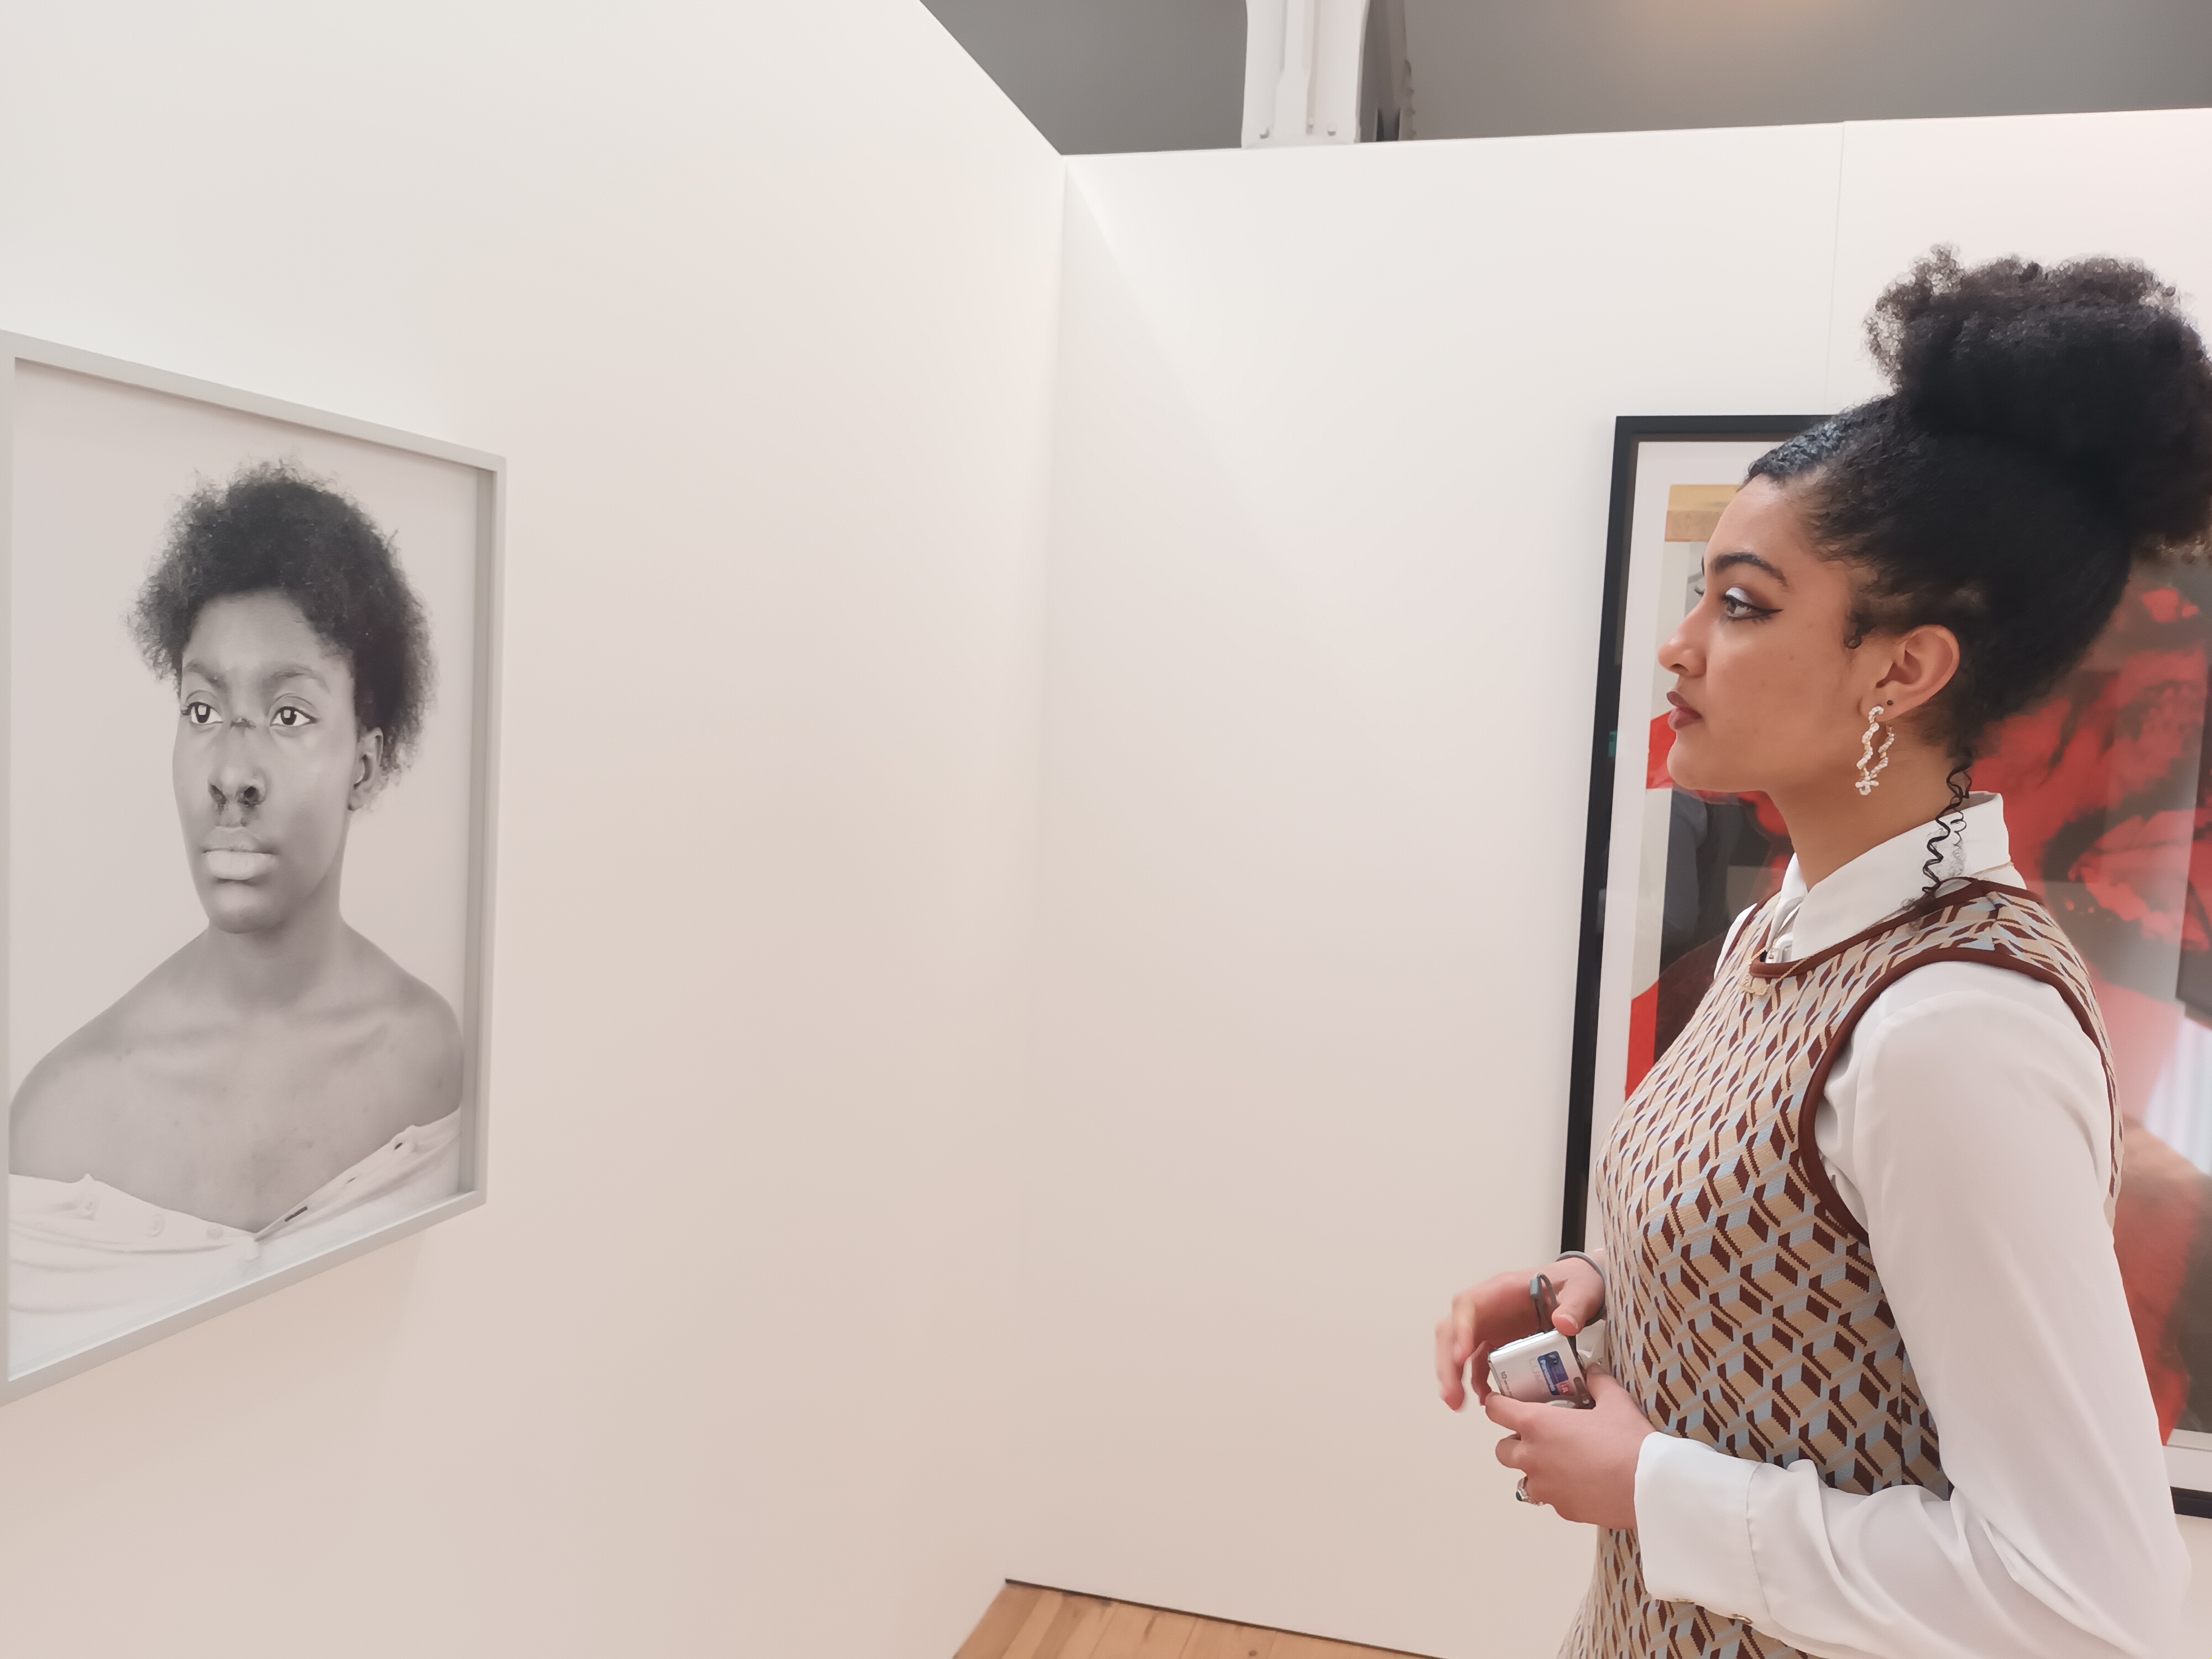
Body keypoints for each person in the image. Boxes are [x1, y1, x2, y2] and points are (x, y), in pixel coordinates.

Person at [1434, 251, 2212, 1658]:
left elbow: (2089, 1604)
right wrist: (1605, 1295)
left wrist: (1647, 1485)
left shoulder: (1951, 1026)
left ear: (1900, 671)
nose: (1676, 651)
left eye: (1739, 604)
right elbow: (1823, 1275)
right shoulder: (1784, 925)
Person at [9, 462, 462, 1374]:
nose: (232, 770)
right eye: (203, 708)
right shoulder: (61, 1121)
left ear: (366, 766)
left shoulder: (433, 1055)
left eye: (288, 712)